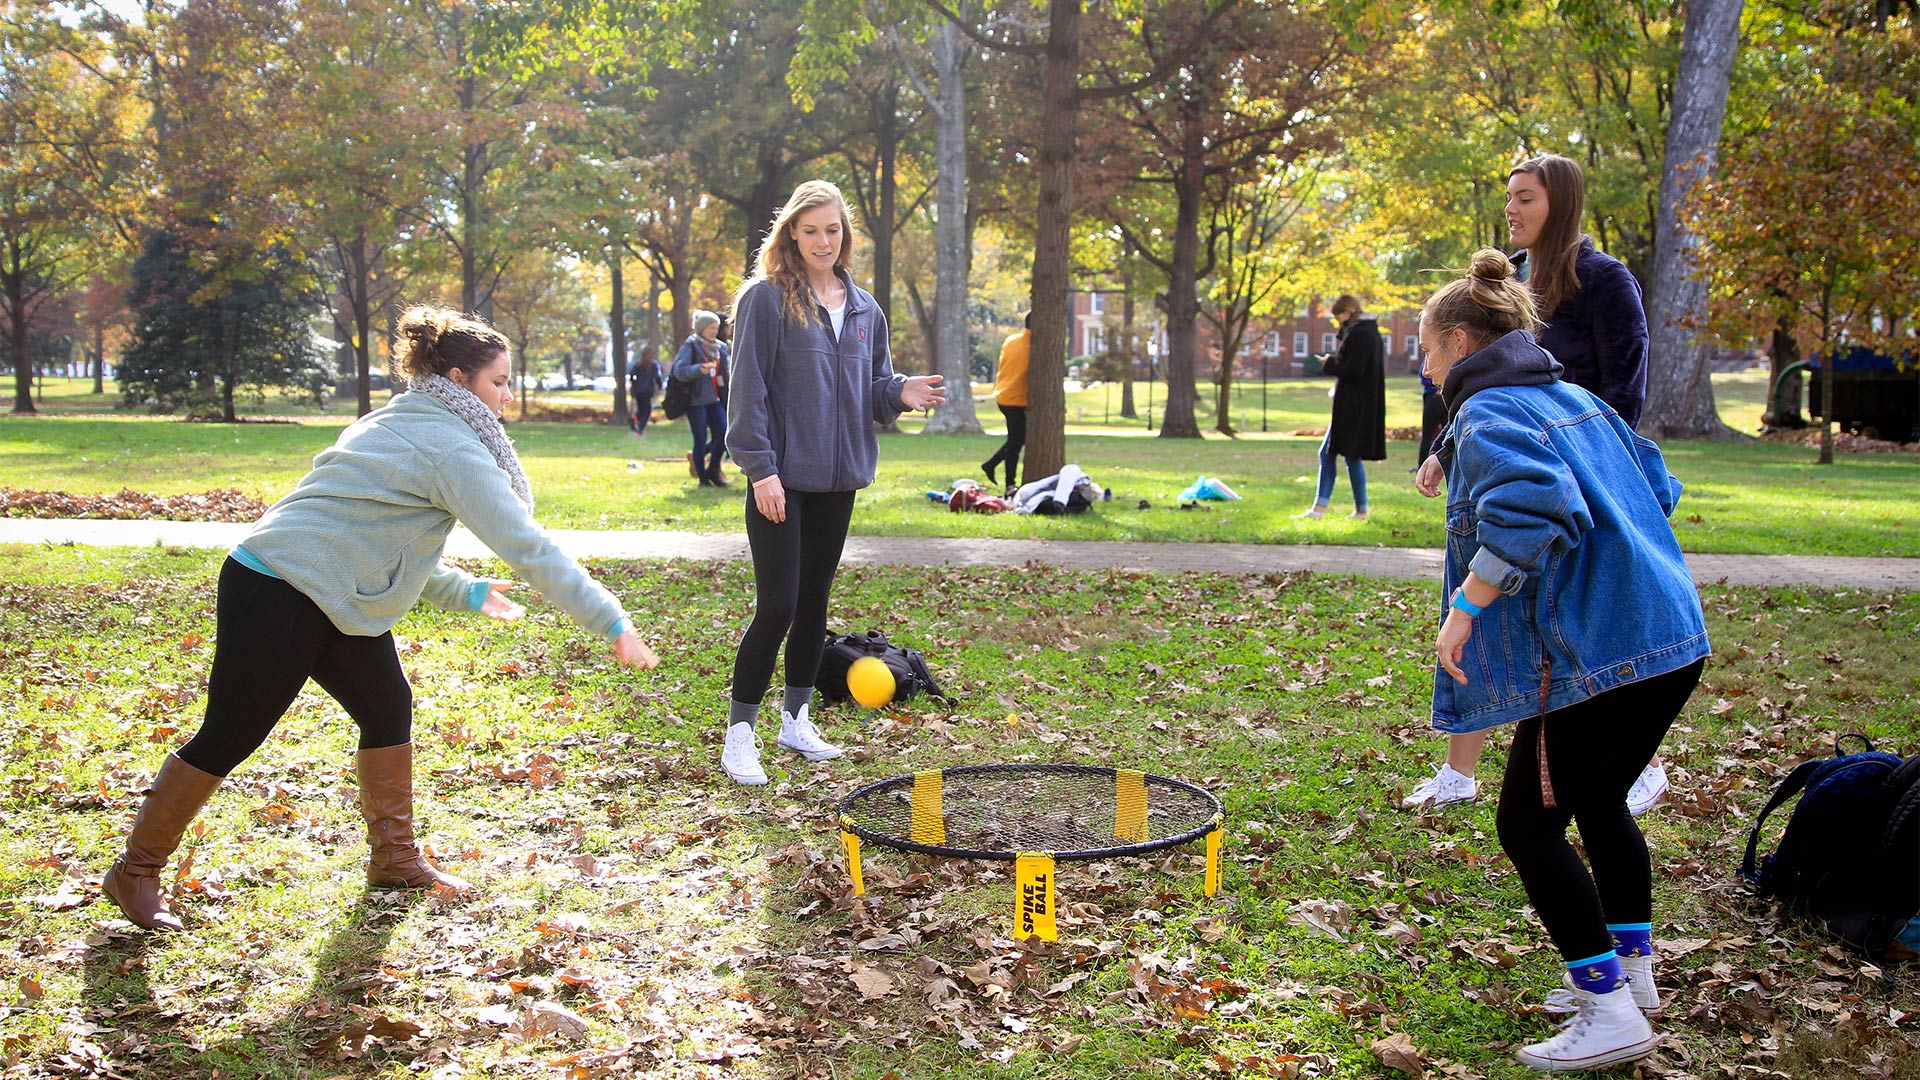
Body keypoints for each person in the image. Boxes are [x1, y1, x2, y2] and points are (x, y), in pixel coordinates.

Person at [100, 306, 659, 932]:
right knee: (233, 732)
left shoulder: (404, 418)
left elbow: (374, 533)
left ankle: (394, 858)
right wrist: (610, 620)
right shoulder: (450, 446)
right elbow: (529, 547)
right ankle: (136, 871)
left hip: (332, 588)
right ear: (457, 379)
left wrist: (464, 592)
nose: (508, 395)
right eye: (499, 382)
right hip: (278, 585)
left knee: (387, 705)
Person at [1420, 250, 1707, 1071]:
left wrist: (1465, 610)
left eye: (1430, 347)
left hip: (1601, 655)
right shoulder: (1572, 395)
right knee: (1598, 800)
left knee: (1527, 823)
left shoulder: (1489, 411)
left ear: (1465, 340)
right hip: (1669, 636)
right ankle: (1635, 976)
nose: (1426, 363)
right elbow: (1656, 483)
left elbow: (1530, 509)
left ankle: (1608, 1009)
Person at [1407, 153, 1668, 814]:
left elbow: (1622, 387)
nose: (1512, 210)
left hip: (1580, 474)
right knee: (1476, 596)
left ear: (1562, 203)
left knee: (1574, 618)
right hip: (1510, 464)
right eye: (1509, 197)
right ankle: (1459, 775)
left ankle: (1635, 767)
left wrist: (1599, 462)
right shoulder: (1510, 281)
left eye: (1525, 197)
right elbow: (1485, 375)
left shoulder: (1605, 281)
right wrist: (1445, 448)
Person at [719, 179, 946, 785]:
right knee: (779, 605)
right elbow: (748, 393)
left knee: (815, 605)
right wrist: (761, 470)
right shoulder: (766, 300)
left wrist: (901, 391)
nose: (824, 240)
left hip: (839, 478)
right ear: (791, 231)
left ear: (846, 235)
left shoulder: (865, 307)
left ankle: (796, 719)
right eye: (812, 228)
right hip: (780, 481)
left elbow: (870, 391)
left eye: (834, 229)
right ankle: (740, 733)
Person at [1295, 294, 1385, 520]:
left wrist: (1330, 363)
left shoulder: (1361, 333)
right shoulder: (1365, 331)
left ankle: (1331, 509)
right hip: (1355, 405)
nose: (1338, 321)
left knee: (1340, 454)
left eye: (1339, 316)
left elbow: (1354, 369)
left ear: (1348, 311)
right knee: (1337, 454)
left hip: (1353, 407)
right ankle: (1350, 509)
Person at [672, 311, 729, 487]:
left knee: (724, 434)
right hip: (696, 401)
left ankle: (713, 470)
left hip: (715, 399)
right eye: (711, 328)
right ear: (702, 329)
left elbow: (724, 375)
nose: (714, 331)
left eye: (716, 328)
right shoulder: (691, 346)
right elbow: (679, 371)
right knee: (700, 437)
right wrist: (699, 369)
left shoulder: (721, 348)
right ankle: (703, 478)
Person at [982, 313, 1030, 494]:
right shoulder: (1035, 346)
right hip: (1017, 399)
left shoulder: (1011, 340)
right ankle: (1009, 484)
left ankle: (991, 465)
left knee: (1017, 439)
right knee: (1016, 442)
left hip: (1003, 395)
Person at [628, 345, 662, 435]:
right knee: (647, 411)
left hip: (638, 390)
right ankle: (640, 428)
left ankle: (635, 418)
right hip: (647, 391)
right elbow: (657, 377)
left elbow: (631, 375)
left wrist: (634, 384)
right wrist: (660, 386)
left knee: (641, 409)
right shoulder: (654, 365)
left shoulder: (638, 364)